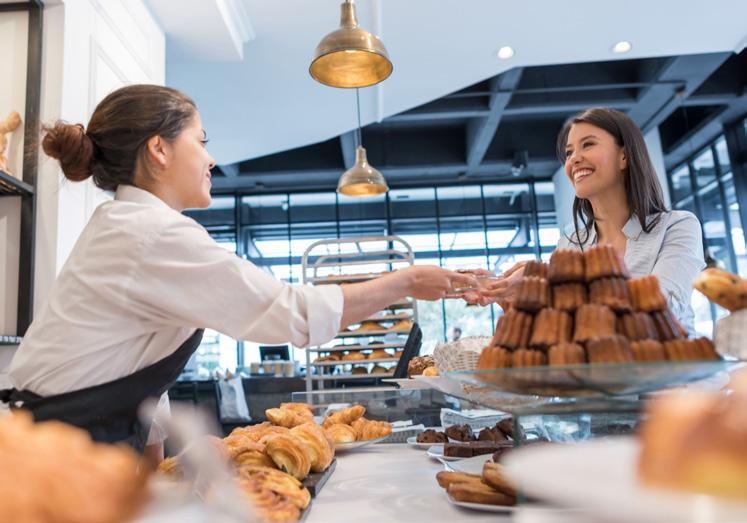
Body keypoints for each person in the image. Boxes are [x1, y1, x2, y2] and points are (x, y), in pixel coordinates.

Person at [1, 85, 475, 460]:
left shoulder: (131, 228)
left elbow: (133, 364)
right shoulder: (151, 235)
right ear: (159, 150)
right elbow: (293, 314)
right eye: (201, 141)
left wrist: (150, 463)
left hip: (59, 442)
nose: (211, 159)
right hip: (49, 451)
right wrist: (407, 281)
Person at [472, 107, 704, 333]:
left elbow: (663, 308)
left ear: (624, 156)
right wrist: (518, 297)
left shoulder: (677, 226)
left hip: (670, 368)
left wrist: (549, 283)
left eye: (588, 144)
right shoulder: (570, 243)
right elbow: (562, 327)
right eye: (569, 152)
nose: (574, 159)